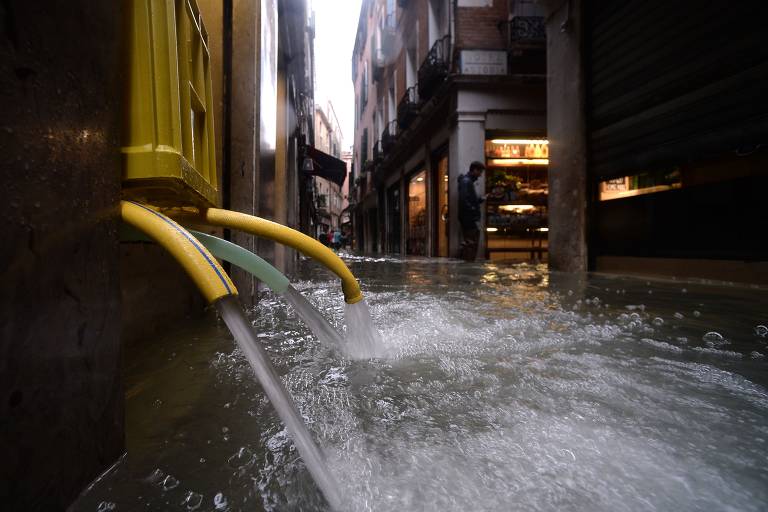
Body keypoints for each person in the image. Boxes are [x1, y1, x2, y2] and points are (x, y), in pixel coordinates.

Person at [458, 160, 485, 261]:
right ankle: (468, 265)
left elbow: (467, 200)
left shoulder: (467, 181)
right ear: (474, 170)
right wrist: (473, 210)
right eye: (480, 172)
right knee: (471, 243)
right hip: (469, 218)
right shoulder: (466, 182)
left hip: (468, 217)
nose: (480, 175)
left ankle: (467, 263)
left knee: (470, 243)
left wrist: (481, 199)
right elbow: (464, 200)